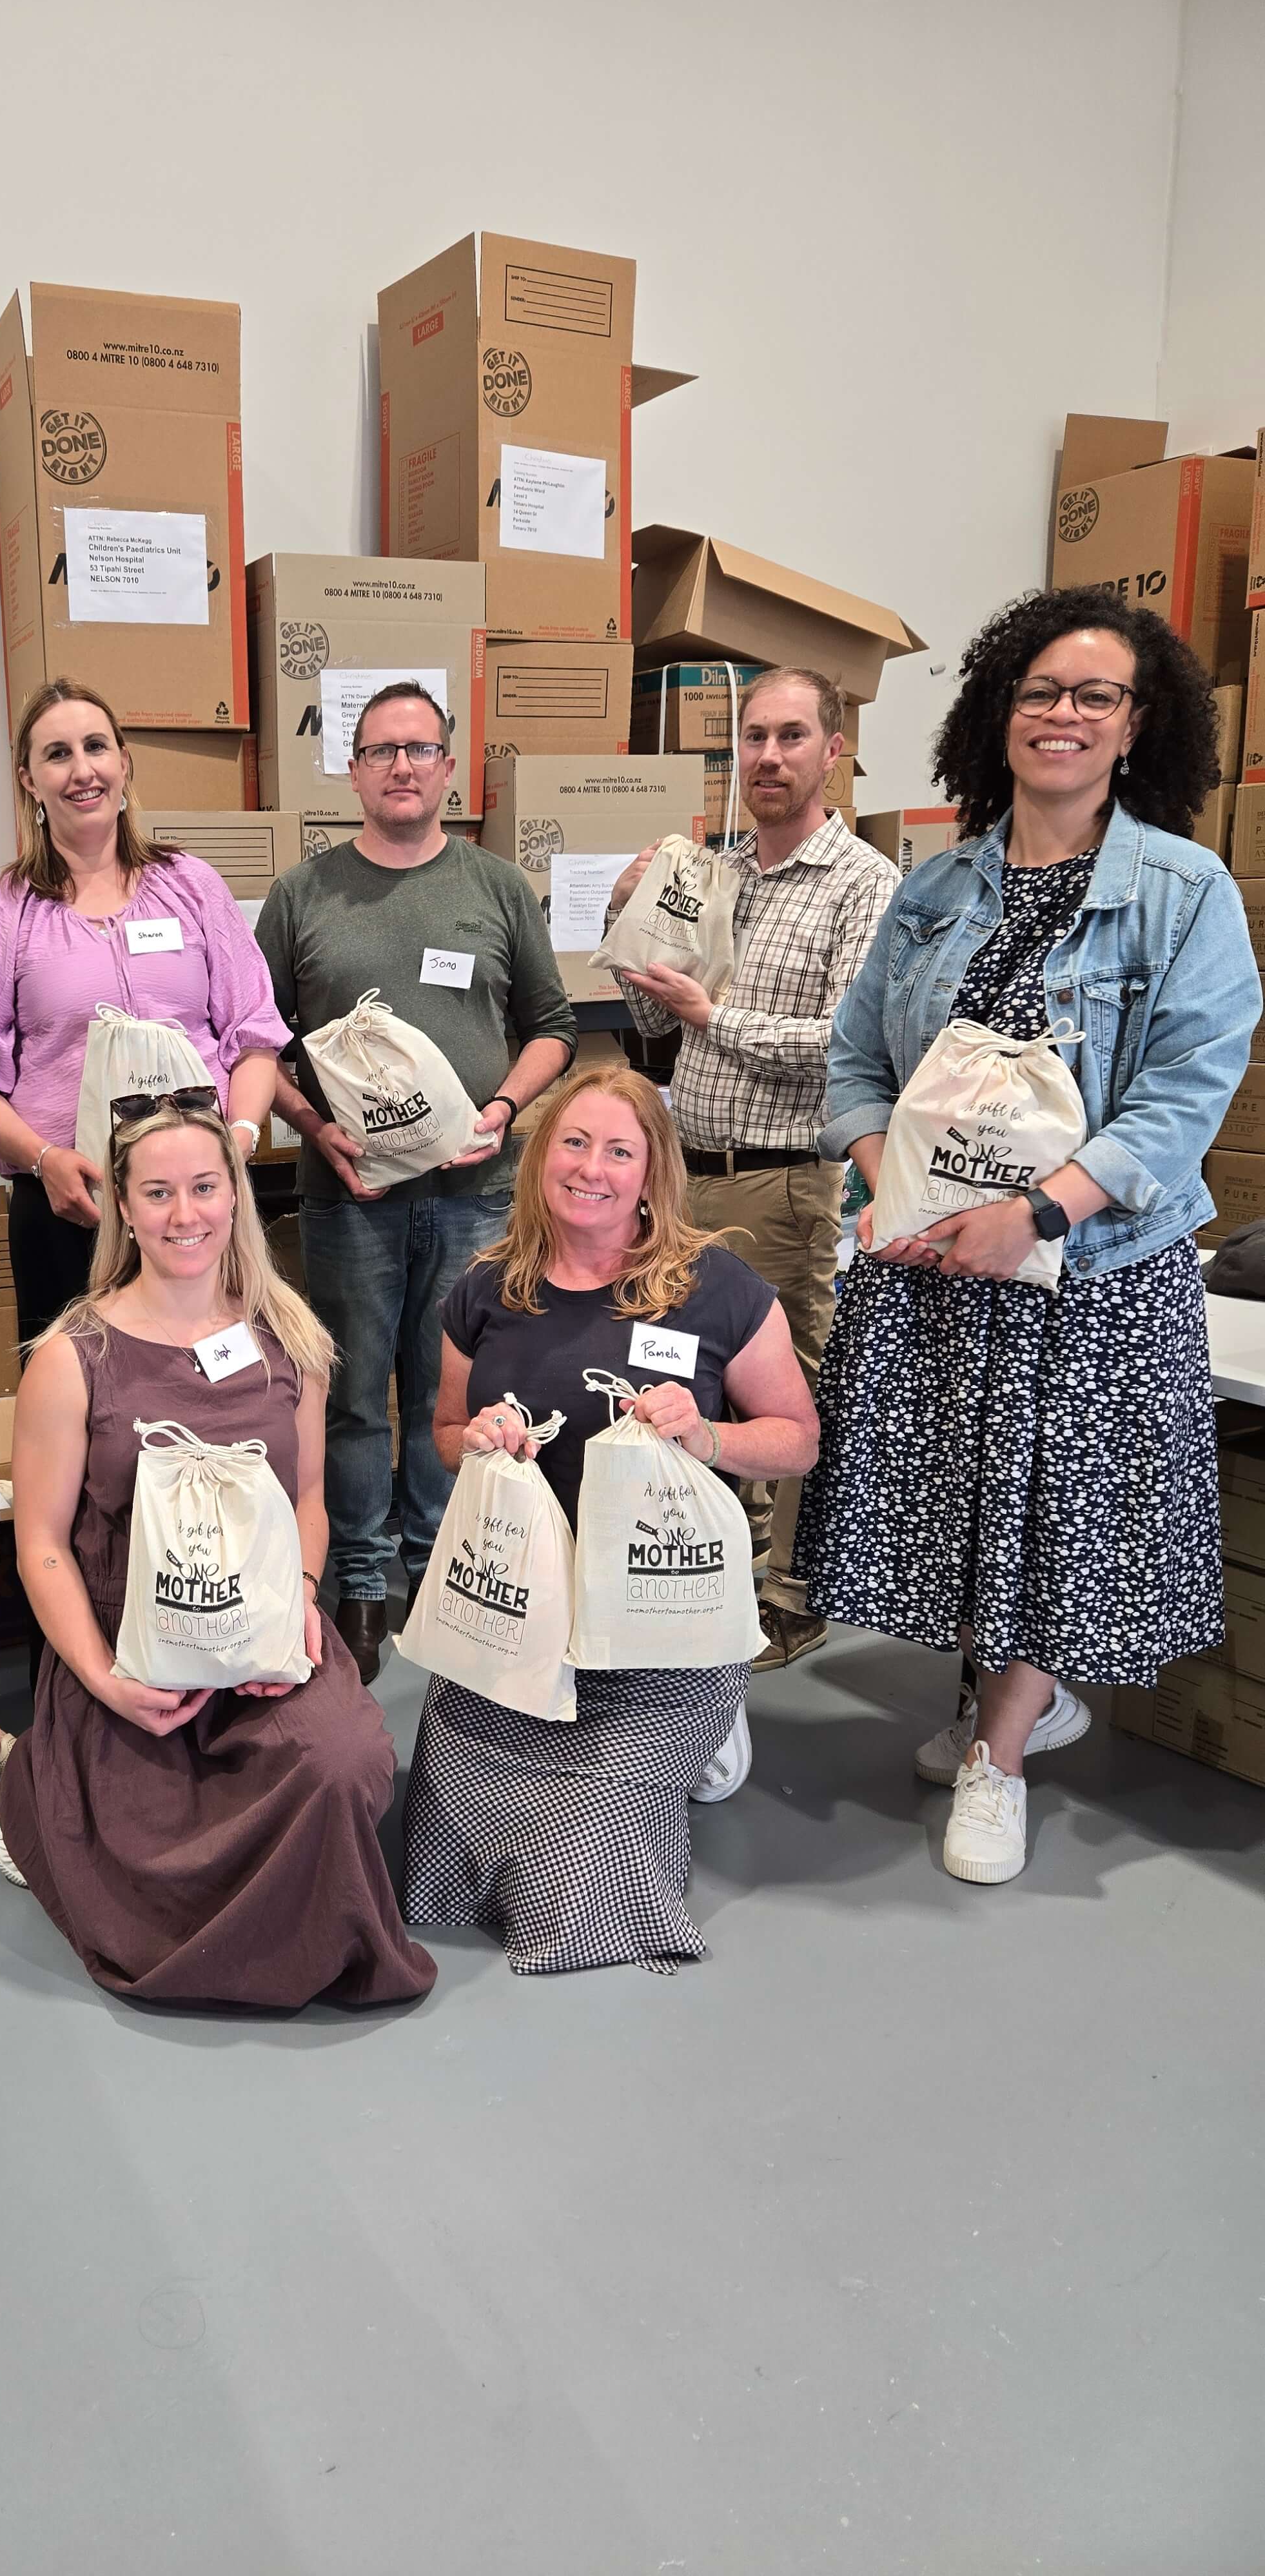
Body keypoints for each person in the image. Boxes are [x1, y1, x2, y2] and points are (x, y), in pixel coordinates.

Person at [798, 585, 1260, 1887]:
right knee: (964, 1506)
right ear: (1000, 714)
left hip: (1095, 1271)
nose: (1062, 714)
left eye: (1093, 695)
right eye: (1040, 691)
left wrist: (1039, 1213)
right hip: (938, 1261)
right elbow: (852, 1067)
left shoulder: (1183, 890)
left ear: (1135, 723)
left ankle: (1001, 1751)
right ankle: (1009, 1694)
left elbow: (1185, 1095)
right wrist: (895, 1186)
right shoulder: (938, 886)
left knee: (1055, 1508)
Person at [0, 1096, 435, 2009]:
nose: (184, 1214)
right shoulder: (70, 1357)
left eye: (204, 1187)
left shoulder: (292, 1341)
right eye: (157, 1193)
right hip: (131, 1642)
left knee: (346, 1762)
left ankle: (293, 1934)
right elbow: (39, 1546)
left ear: (234, 1193)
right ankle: (45, 1780)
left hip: (265, 1630)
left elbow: (308, 1502)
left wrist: (299, 1606)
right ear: (122, 1202)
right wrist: (106, 1679)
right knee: (147, 1838)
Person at [400, 1063, 817, 1974]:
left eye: (619, 1151)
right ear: (540, 1156)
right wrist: (479, 1438)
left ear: (650, 1171)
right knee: (440, 1835)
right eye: (574, 1143)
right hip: (523, 1609)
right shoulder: (486, 1290)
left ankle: (712, 1712)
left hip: (657, 1620)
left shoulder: (718, 1288)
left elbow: (797, 1442)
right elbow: (438, 1435)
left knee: (578, 1867)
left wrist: (708, 1437)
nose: (592, 1167)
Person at [255, 680, 577, 1682]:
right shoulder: (302, 895)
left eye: (420, 749)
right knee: (352, 1390)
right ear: (353, 771)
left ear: (450, 768)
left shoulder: (496, 888)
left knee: (456, 1388)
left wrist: (503, 1112)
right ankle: (358, 1576)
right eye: (382, 750)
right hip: (348, 1194)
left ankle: (437, 1562)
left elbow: (555, 1028)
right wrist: (315, 1127)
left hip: (475, 1192)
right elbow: (256, 1045)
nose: (402, 765)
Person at [611, 667, 897, 1677]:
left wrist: (709, 1016)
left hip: (786, 1179)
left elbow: (846, 1048)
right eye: (752, 738)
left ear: (833, 751)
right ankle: (717, 1571)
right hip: (692, 1174)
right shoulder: (720, 873)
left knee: (785, 1389)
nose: (767, 757)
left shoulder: (864, 885)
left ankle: (792, 1594)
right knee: (694, 1380)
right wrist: (630, 937)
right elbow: (660, 1030)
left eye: (789, 737)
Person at [0, 680, 289, 1351]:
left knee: (214, 1384)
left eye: (96, 746)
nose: (82, 770)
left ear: (124, 761)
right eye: (58, 754)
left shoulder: (192, 885)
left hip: (200, 1204)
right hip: (70, 1207)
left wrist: (240, 1141)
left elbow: (254, 1034)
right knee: (79, 1405)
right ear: (29, 779)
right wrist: (44, 1161)